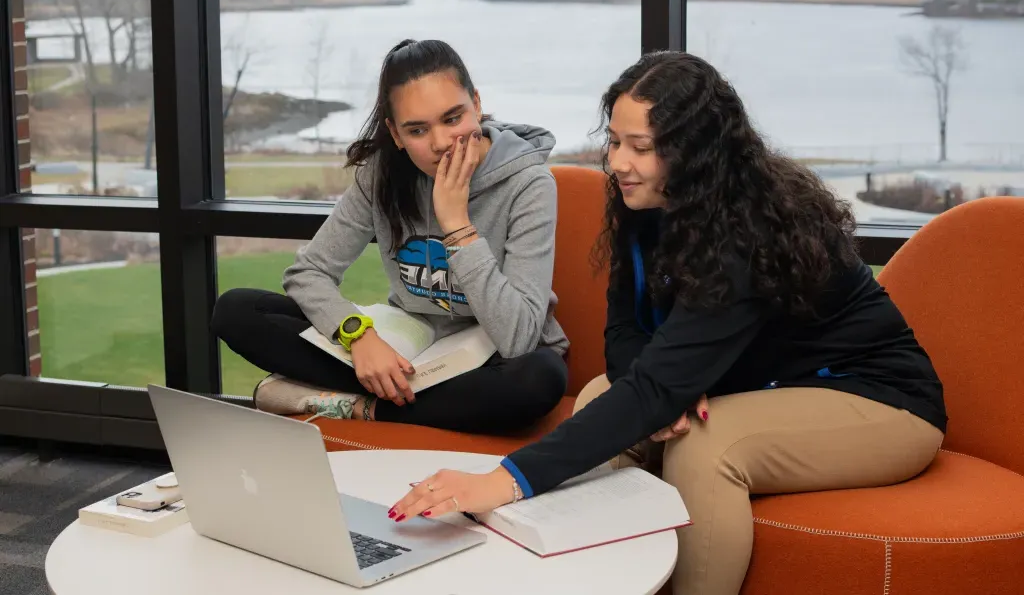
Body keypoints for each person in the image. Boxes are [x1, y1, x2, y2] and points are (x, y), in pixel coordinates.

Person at [388, 51, 947, 595]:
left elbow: (657, 384)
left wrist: (501, 479)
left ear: (695, 154)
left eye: (642, 147)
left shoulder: (747, 229)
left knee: (707, 450)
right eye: (613, 140)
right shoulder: (645, 200)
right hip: (753, 384)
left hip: (876, 397)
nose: (617, 163)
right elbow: (624, 337)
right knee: (600, 396)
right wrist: (667, 392)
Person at [211, 38, 569, 434]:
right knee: (237, 310)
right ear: (395, 134)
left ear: (477, 105)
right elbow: (308, 273)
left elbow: (519, 337)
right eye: (417, 129)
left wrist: (457, 225)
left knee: (540, 377)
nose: (439, 143)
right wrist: (359, 338)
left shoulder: (529, 183)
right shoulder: (382, 174)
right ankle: (404, 396)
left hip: (495, 356)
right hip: (406, 346)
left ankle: (364, 405)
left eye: (453, 119)